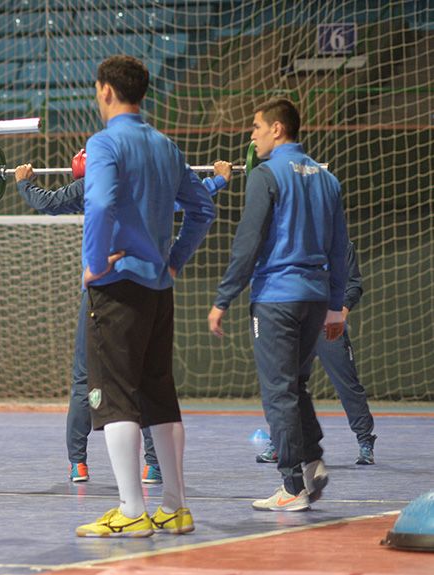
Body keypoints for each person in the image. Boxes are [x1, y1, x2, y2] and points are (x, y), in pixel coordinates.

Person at [14, 161, 232, 485]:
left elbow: (48, 202)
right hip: (147, 288)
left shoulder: (92, 186)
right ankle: (153, 465)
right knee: (143, 378)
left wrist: (24, 183)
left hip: (102, 291)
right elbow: (191, 200)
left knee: (84, 380)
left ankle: (78, 464)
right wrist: (218, 180)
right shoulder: (148, 188)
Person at [75, 55, 216, 538]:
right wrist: (173, 259)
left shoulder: (105, 143)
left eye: (97, 90)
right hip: (159, 288)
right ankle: (175, 507)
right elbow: (202, 208)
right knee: (159, 394)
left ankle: (132, 510)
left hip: (117, 287)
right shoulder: (166, 146)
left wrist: (94, 262)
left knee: (114, 398)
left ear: (106, 91)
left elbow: (99, 202)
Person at [208, 97, 348, 512]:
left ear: (277, 130)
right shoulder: (328, 178)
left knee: (279, 392)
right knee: (296, 385)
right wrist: (336, 307)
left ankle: (291, 487)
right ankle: (312, 462)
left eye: (255, 127)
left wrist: (223, 299)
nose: (251, 135)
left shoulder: (266, 174)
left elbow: (248, 243)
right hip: (316, 296)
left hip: (276, 298)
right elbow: (340, 249)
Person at [256, 241, 376, 465]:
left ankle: (365, 440)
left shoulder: (340, 243)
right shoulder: (289, 242)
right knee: (286, 386)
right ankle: (279, 442)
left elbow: (353, 284)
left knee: (347, 384)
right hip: (296, 324)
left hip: (328, 324)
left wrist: (341, 312)